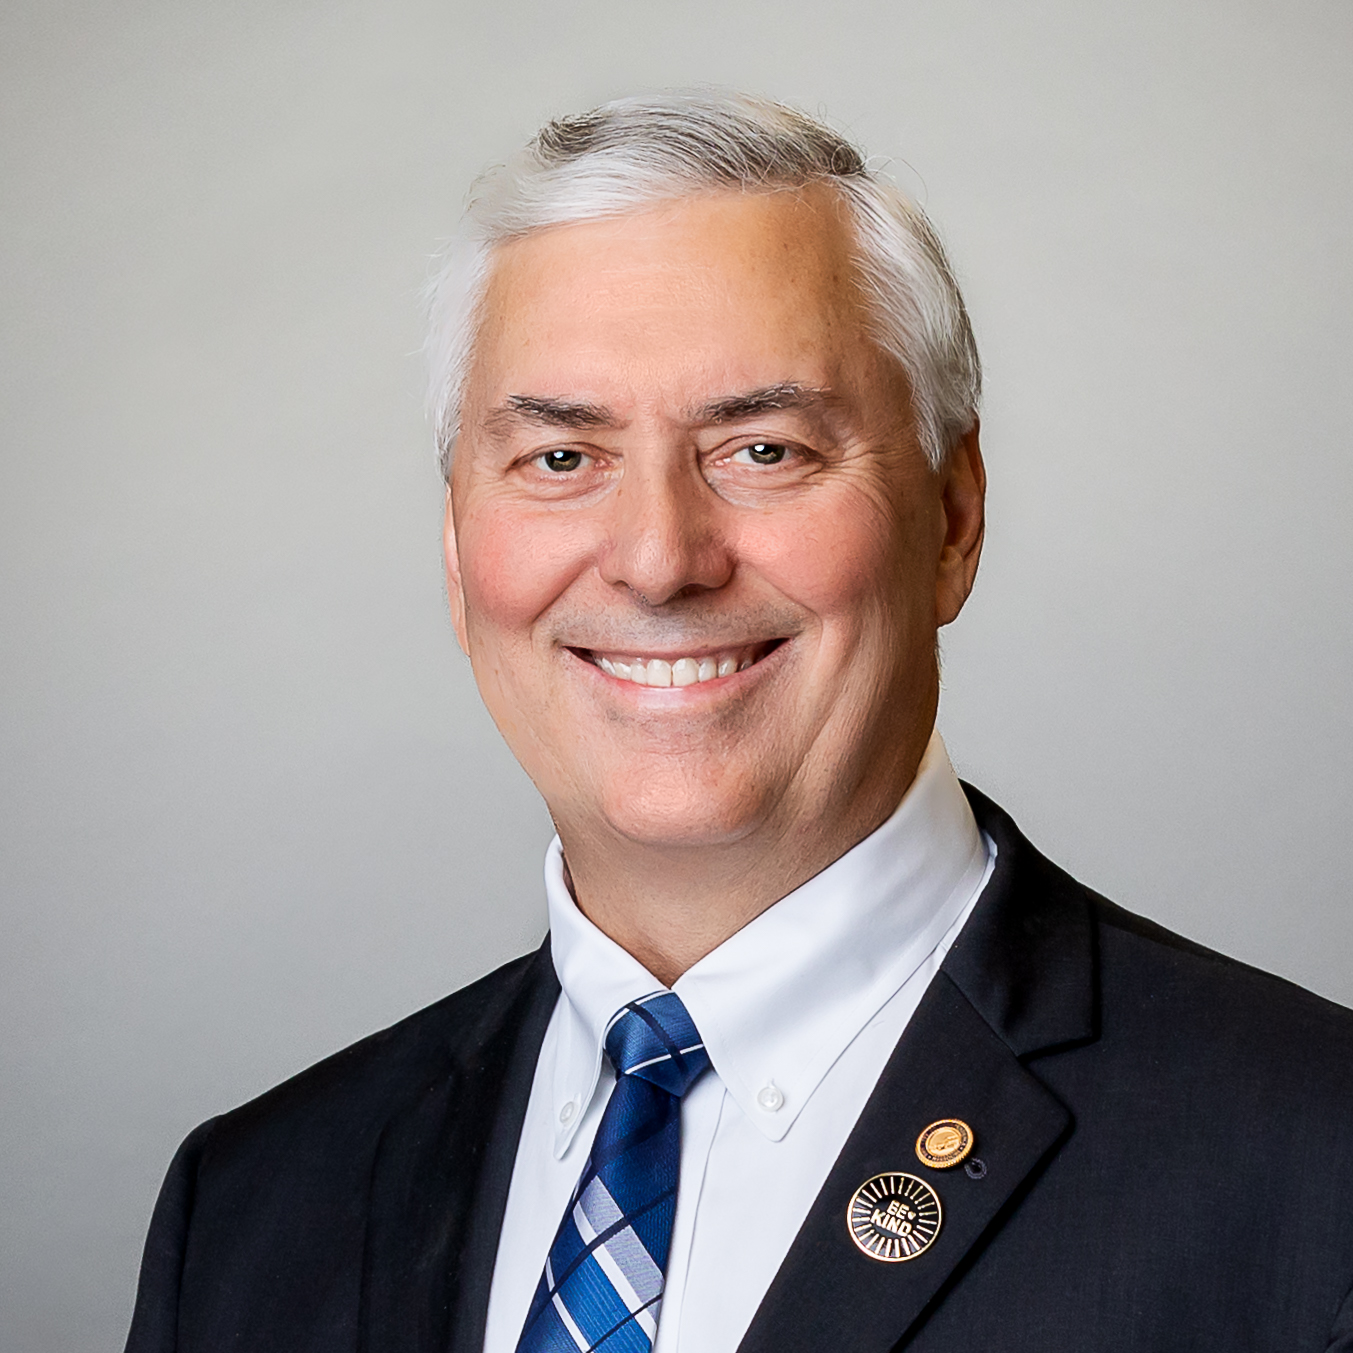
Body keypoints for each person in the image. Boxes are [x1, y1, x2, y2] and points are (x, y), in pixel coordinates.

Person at [124, 91, 1353, 1353]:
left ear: (954, 519)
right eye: (562, 460)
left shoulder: (1314, 1174)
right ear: (454, 552)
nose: (659, 561)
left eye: (763, 450)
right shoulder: (253, 1206)